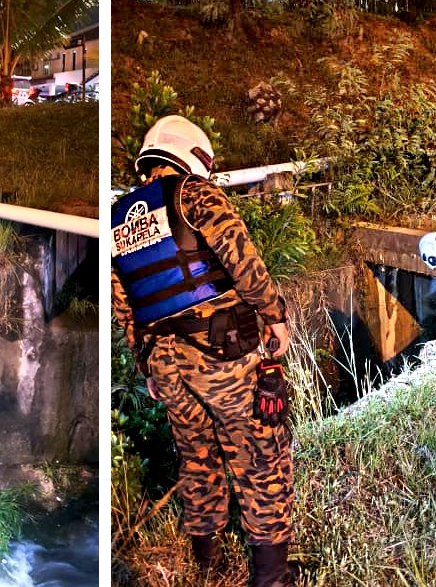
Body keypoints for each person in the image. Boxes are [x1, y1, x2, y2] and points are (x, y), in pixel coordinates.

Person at [111, 115, 295, 587]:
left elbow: (124, 305)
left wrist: (145, 365)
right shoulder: (194, 193)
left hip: (163, 361)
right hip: (220, 352)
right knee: (260, 454)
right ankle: (272, 577)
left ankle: (206, 559)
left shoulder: (116, 219)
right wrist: (274, 315)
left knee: (197, 455)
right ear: (192, 154)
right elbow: (244, 263)